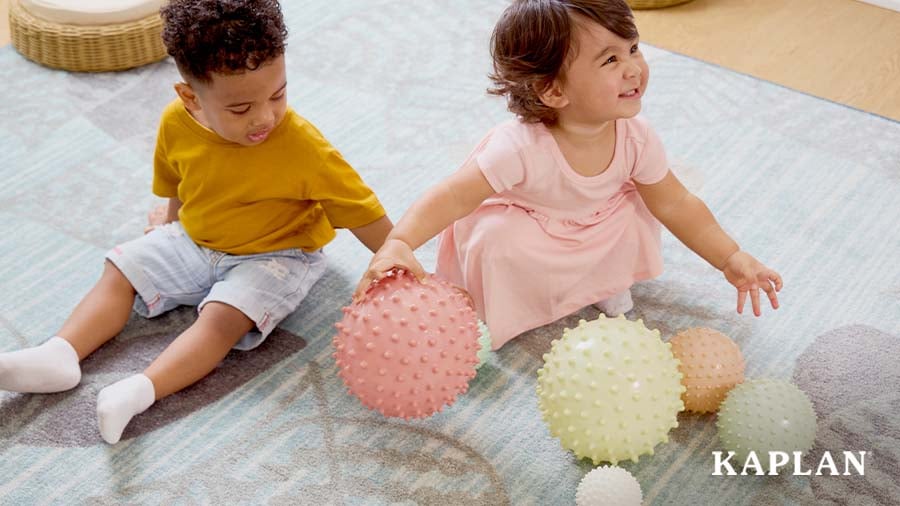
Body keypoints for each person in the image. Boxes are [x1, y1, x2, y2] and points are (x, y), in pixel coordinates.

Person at [0, 0, 392, 444]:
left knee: (222, 318)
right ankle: (60, 353)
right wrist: (168, 224)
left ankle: (140, 389)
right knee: (119, 269)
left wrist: (398, 261)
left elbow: (363, 211)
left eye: (278, 94)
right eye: (241, 109)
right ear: (191, 98)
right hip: (195, 237)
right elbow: (174, 180)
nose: (265, 116)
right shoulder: (175, 122)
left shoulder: (306, 149)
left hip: (277, 253)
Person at [353, 0, 781, 350]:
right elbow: (450, 197)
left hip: (598, 225)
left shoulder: (635, 136)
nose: (633, 68)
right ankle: (500, 313)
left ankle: (602, 282)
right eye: (610, 59)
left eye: (633, 48)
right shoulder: (518, 146)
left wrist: (731, 256)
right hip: (534, 226)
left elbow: (676, 201)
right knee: (496, 240)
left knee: (637, 210)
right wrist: (400, 243)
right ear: (554, 91)